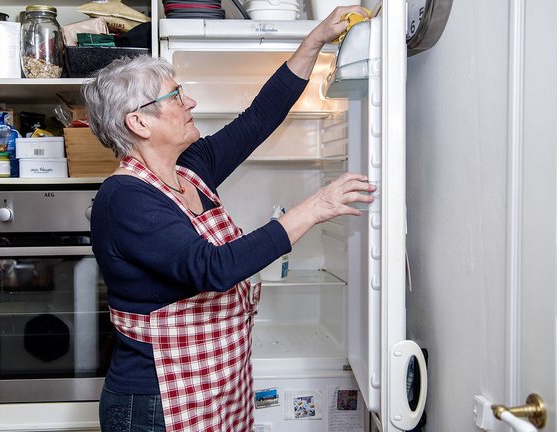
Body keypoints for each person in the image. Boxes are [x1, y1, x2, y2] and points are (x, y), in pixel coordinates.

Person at [83, 5, 374, 431]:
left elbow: (259, 118)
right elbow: (213, 268)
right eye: (176, 96)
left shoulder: (190, 169)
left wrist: (314, 40)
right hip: (156, 403)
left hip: (217, 385)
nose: (190, 102)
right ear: (139, 121)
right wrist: (314, 208)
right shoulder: (124, 198)